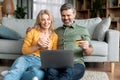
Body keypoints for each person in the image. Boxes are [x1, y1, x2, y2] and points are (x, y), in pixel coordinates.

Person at [26, 3, 93, 80]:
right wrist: (32, 29)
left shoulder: (82, 30)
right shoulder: (55, 32)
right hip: (58, 64)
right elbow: (43, 31)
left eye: (68, 15)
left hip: (76, 63)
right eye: (63, 15)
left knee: (68, 72)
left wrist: (86, 48)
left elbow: (90, 52)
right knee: (50, 71)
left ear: (74, 15)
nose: (66, 18)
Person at [3, 9, 58, 80]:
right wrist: (38, 46)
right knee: (16, 70)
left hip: (41, 61)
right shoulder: (32, 31)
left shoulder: (54, 36)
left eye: (48, 19)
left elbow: (53, 57)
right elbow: (24, 51)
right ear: (39, 21)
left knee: (37, 74)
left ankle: (15, 73)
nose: (46, 22)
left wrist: (48, 49)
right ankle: (14, 73)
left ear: (51, 21)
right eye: (43, 20)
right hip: (27, 58)